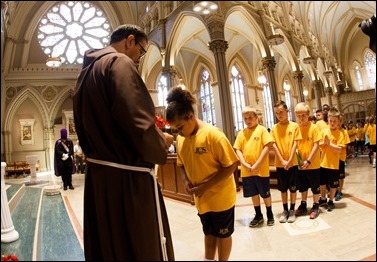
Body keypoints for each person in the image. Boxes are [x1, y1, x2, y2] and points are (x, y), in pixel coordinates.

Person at [73, 24, 175, 261]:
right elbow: (137, 121)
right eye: (141, 51)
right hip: (128, 181)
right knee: (138, 247)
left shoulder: (86, 72)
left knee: (109, 247)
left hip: (100, 179)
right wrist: (162, 141)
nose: (140, 59)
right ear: (130, 41)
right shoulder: (119, 63)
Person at [165, 86, 239, 261]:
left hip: (220, 198)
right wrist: (185, 181)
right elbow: (181, 164)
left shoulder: (213, 135)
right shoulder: (182, 138)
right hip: (202, 199)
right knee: (208, 232)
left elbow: (231, 165)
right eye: (175, 129)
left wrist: (206, 186)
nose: (178, 132)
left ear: (190, 116)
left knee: (223, 234)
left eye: (180, 127)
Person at [234, 106, 275, 227]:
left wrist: (257, 163)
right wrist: (244, 163)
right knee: (253, 193)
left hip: (260, 169)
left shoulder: (262, 130)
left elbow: (267, 146)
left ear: (256, 118)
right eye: (245, 118)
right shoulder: (242, 133)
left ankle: (270, 213)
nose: (248, 120)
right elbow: (237, 149)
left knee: (265, 193)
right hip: (247, 170)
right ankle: (258, 215)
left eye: (250, 118)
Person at [270, 100, 302, 223]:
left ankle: (292, 210)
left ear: (287, 111)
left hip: (292, 163)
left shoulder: (294, 126)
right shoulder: (274, 128)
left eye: (281, 112)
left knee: (293, 188)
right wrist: (283, 160)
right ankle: (285, 210)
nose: (279, 115)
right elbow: (274, 146)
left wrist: (289, 160)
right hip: (280, 164)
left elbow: (295, 143)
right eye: (277, 113)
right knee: (283, 189)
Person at [294, 103, 322, 219]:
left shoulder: (314, 128)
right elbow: (295, 144)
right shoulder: (297, 128)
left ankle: (316, 206)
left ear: (308, 115)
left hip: (312, 164)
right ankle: (303, 204)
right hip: (301, 165)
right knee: (303, 186)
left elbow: (316, 145)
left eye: (303, 115)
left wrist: (309, 160)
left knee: (315, 186)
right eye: (299, 115)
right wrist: (299, 160)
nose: (301, 118)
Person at [318, 107, 347, 211]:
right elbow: (319, 144)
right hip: (323, 162)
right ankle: (323, 198)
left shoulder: (340, 133)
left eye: (335, 121)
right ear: (328, 120)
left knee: (333, 184)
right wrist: (324, 143)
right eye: (330, 121)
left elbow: (339, 149)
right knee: (322, 183)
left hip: (334, 164)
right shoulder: (323, 131)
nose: (332, 123)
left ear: (338, 121)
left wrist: (329, 144)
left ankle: (331, 200)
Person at [335, 114, 350, 201]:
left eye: (340, 121)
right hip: (333, 158)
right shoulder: (332, 131)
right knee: (334, 176)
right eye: (338, 121)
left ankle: (339, 191)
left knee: (341, 176)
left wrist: (337, 146)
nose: (339, 123)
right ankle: (335, 190)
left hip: (341, 157)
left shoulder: (344, 132)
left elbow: (345, 145)